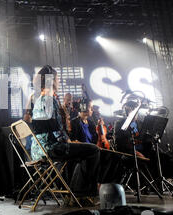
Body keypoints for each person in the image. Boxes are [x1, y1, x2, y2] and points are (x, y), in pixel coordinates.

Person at [30, 65, 113, 202]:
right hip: (51, 148)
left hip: (39, 150)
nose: (59, 81)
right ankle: (82, 194)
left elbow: (50, 129)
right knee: (93, 150)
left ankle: (74, 193)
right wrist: (69, 141)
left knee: (81, 152)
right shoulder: (50, 101)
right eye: (57, 79)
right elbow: (57, 131)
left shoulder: (39, 100)